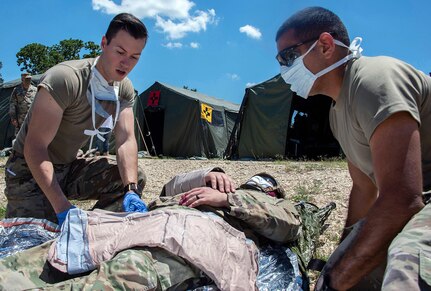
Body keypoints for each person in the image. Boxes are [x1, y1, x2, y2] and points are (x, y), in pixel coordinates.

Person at [275, 6, 430, 290]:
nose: (284, 69)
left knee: (406, 267)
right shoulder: (338, 113)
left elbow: (402, 198)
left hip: (418, 200)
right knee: (354, 267)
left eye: (288, 56)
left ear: (325, 45)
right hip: (419, 202)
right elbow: (363, 188)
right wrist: (342, 253)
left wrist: (336, 279)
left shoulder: (375, 80)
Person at [0, 167, 323, 290]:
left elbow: (289, 225)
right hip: (148, 223)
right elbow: (169, 188)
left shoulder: (272, 205)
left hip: (194, 236)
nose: (253, 185)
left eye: (261, 186)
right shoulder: (214, 187)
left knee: (127, 272)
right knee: (56, 254)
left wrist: (230, 202)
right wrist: (206, 175)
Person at [4, 13, 150, 226]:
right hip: (29, 171)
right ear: (104, 43)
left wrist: (131, 190)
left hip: (68, 166)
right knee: (34, 240)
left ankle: (94, 228)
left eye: (134, 57)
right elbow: (34, 147)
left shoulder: (123, 89)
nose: (125, 63)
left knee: (132, 177)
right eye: (120, 52)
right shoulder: (65, 79)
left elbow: (126, 140)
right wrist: (62, 207)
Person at [9, 72, 37, 137]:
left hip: (33, 118)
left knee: (32, 136)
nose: (28, 81)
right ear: (22, 79)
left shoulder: (35, 90)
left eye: (29, 79)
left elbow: (39, 104)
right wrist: (13, 118)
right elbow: (12, 105)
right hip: (21, 119)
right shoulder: (16, 90)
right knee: (20, 137)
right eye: (26, 79)